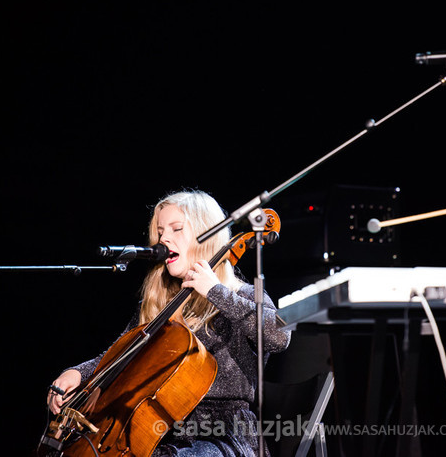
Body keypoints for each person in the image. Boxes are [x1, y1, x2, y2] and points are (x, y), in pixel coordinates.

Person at [46, 190, 291, 457]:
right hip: (162, 432)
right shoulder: (160, 304)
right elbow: (118, 356)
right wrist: (78, 373)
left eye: (176, 229)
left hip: (223, 436)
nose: (164, 238)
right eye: (161, 231)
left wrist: (215, 291)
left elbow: (279, 336)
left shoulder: (240, 294)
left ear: (206, 235)